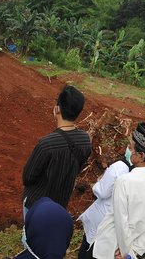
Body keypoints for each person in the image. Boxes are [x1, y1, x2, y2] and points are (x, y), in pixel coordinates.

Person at [93, 122, 145, 259]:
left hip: (112, 249)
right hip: (133, 251)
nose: (128, 149)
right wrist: (135, 250)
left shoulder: (125, 181)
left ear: (141, 156)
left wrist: (124, 252)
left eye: (131, 147)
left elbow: (121, 221)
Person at [22, 85, 91, 213]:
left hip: (36, 205)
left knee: (30, 233)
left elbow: (27, 177)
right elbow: (78, 168)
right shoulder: (85, 140)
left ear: (57, 109)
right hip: (59, 205)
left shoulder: (46, 144)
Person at [77, 154, 134, 258]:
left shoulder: (119, 167)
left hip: (102, 220)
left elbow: (102, 192)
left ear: (141, 155)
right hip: (119, 230)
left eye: (131, 147)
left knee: (88, 248)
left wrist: (98, 183)